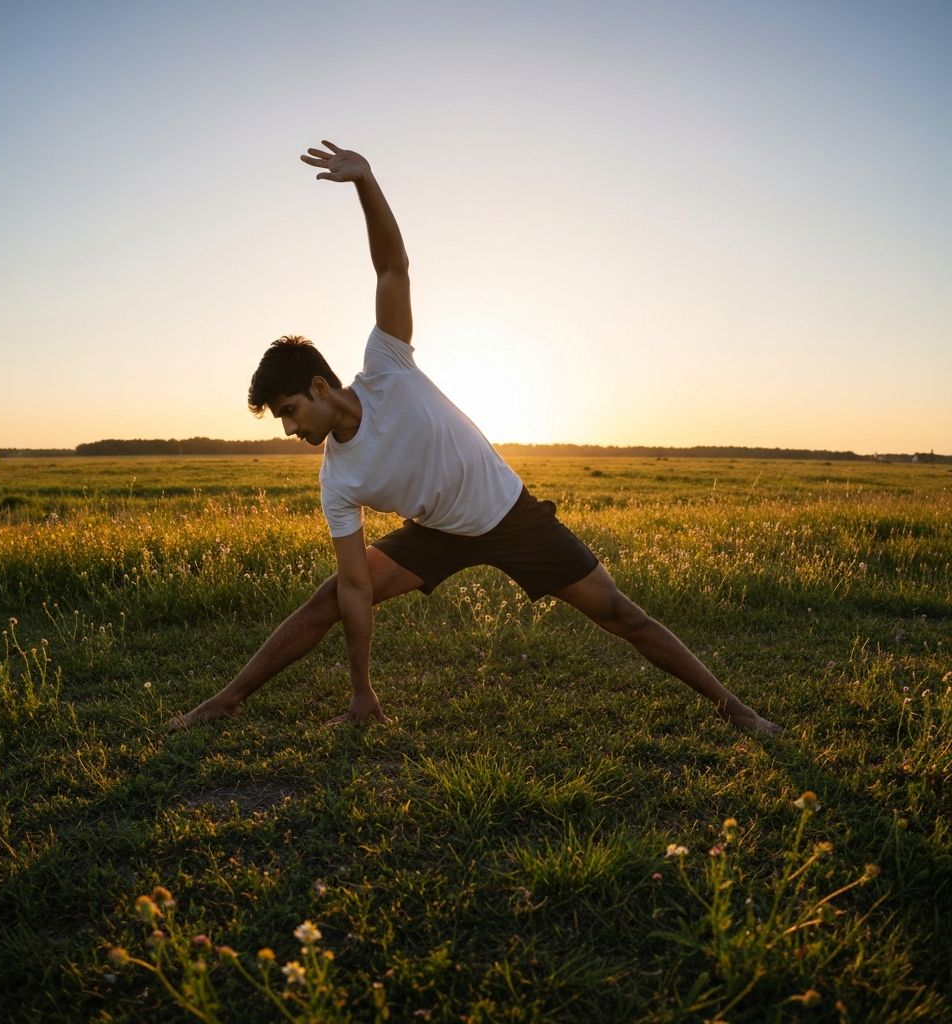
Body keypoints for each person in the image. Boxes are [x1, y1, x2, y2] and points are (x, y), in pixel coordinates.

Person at [170, 141, 780, 736]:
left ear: (320, 387)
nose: (290, 428)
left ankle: (734, 709)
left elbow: (392, 268)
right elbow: (356, 586)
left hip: (509, 514)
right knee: (329, 597)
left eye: (290, 411)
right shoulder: (338, 479)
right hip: (435, 534)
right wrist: (361, 690)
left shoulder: (386, 366)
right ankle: (227, 701)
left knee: (620, 614)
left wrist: (365, 181)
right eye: (280, 419)